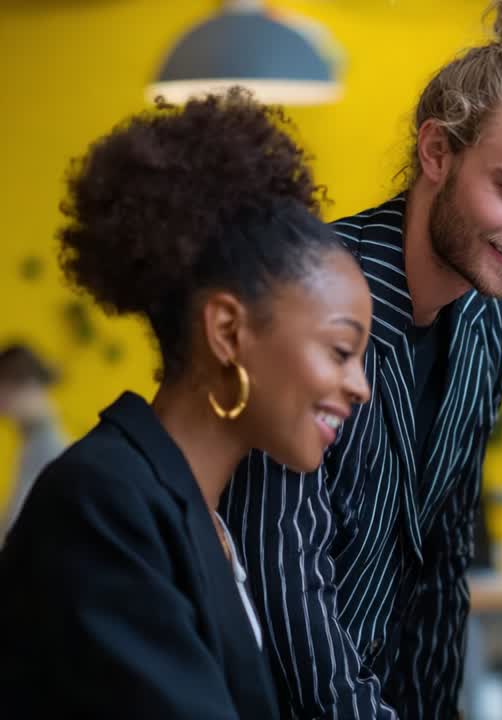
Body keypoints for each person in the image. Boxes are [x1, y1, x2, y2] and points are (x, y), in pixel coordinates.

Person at [218, 1, 502, 717]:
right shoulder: (306, 294)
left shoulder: (490, 314)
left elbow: (439, 562)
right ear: (436, 152)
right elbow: (281, 577)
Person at [0, 89, 373, 718]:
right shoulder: (102, 504)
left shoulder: (199, 516)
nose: (360, 385)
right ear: (227, 332)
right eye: (340, 350)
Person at [0, 343, 68, 543]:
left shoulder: (49, 449)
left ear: (30, 384)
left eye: (6, 387)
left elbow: (16, 527)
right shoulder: (34, 444)